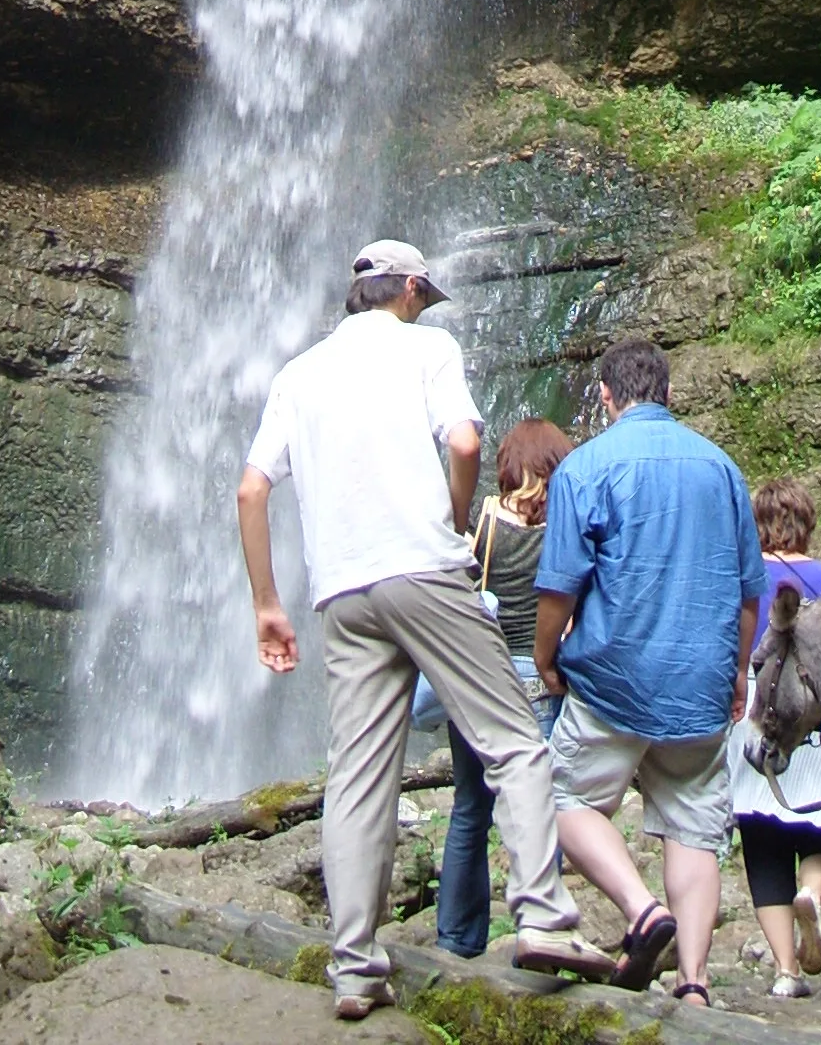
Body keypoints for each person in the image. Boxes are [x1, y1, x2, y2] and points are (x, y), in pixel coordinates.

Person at [236, 241, 611, 1020]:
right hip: (423, 572)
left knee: (359, 778)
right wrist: (449, 519)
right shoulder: (428, 347)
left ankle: (354, 966)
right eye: (422, 295)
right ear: (408, 289)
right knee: (513, 741)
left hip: (342, 594)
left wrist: (267, 603)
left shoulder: (296, 374)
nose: (424, 306)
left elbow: (251, 488)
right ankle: (541, 917)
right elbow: (467, 442)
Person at [534, 338, 764, 1008]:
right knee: (693, 827)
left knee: (562, 799)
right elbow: (750, 592)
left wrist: (547, 656)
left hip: (614, 678)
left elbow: (559, 587)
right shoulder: (722, 469)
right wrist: (739, 673)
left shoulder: (586, 466)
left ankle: (640, 910)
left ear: (606, 397)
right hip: (700, 683)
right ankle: (693, 981)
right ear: (668, 392)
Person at [731, 480, 821, 999]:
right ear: (807, 522)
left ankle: (786, 971)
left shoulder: (742, 577)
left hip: (756, 714)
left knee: (763, 840)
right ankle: (812, 892)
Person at [434, 418, 571, 962]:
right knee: (538, 804)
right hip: (539, 684)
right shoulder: (566, 529)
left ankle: (456, 938)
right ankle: (541, 928)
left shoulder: (483, 520)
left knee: (471, 806)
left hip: (477, 674)